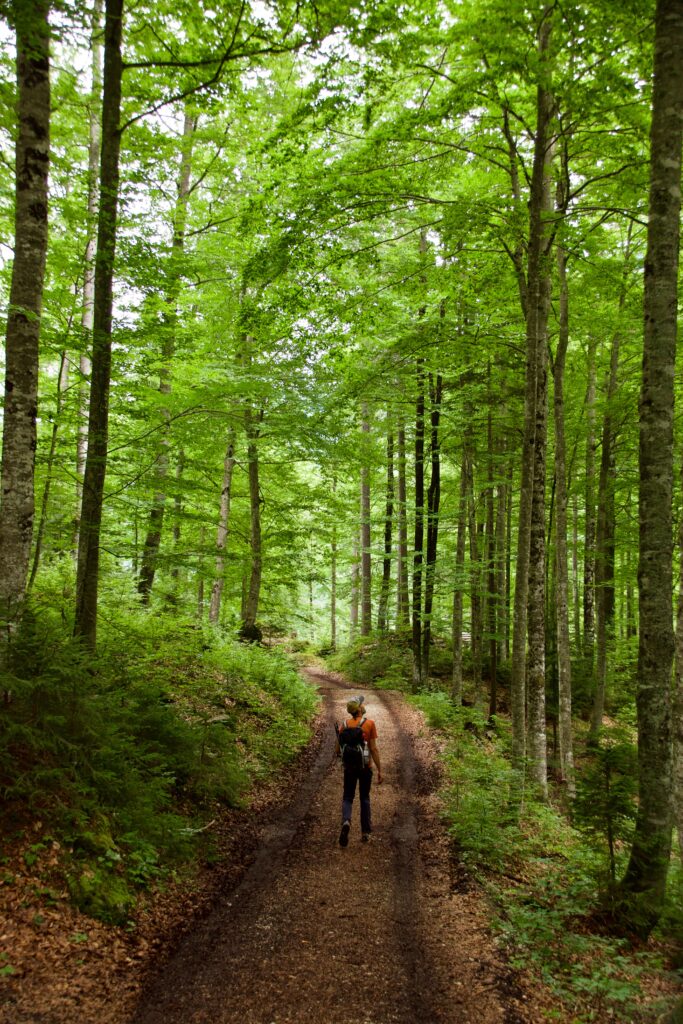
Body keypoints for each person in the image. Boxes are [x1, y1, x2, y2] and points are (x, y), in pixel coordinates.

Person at [336, 696, 382, 847]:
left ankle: (346, 821)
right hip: (365, 767)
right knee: (364, 798)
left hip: (349, 768)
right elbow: (373, 749)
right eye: (362, 704)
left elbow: (337, 749)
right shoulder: (369, 724)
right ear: (360, 708)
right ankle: (366, 833)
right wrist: (380, 769)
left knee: (348, 797)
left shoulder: (344, 725)